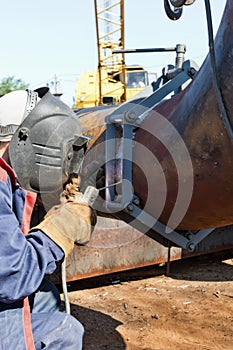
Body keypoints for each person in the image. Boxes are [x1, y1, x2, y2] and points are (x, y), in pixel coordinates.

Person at [0, 87, 97, 349]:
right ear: (24, 139)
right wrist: (60, 229)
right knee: (64, 331)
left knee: (45, 297)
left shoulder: (5, 178)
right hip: (7, 282)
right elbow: (13, 277)